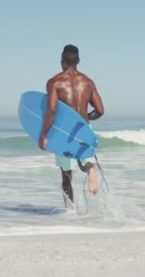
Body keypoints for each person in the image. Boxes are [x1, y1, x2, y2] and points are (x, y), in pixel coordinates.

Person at [38, 44, 105, 203]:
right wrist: (85, 118)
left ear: (62, 60)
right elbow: (100, 110)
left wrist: (44, 135)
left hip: (64, 132)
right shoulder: (88, 82)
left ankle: (69, 211)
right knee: (85, 161)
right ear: (78, 60)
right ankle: (90, 170)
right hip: (83, 128)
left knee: (66, 175)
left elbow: (52, 110)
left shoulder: (55, 82)